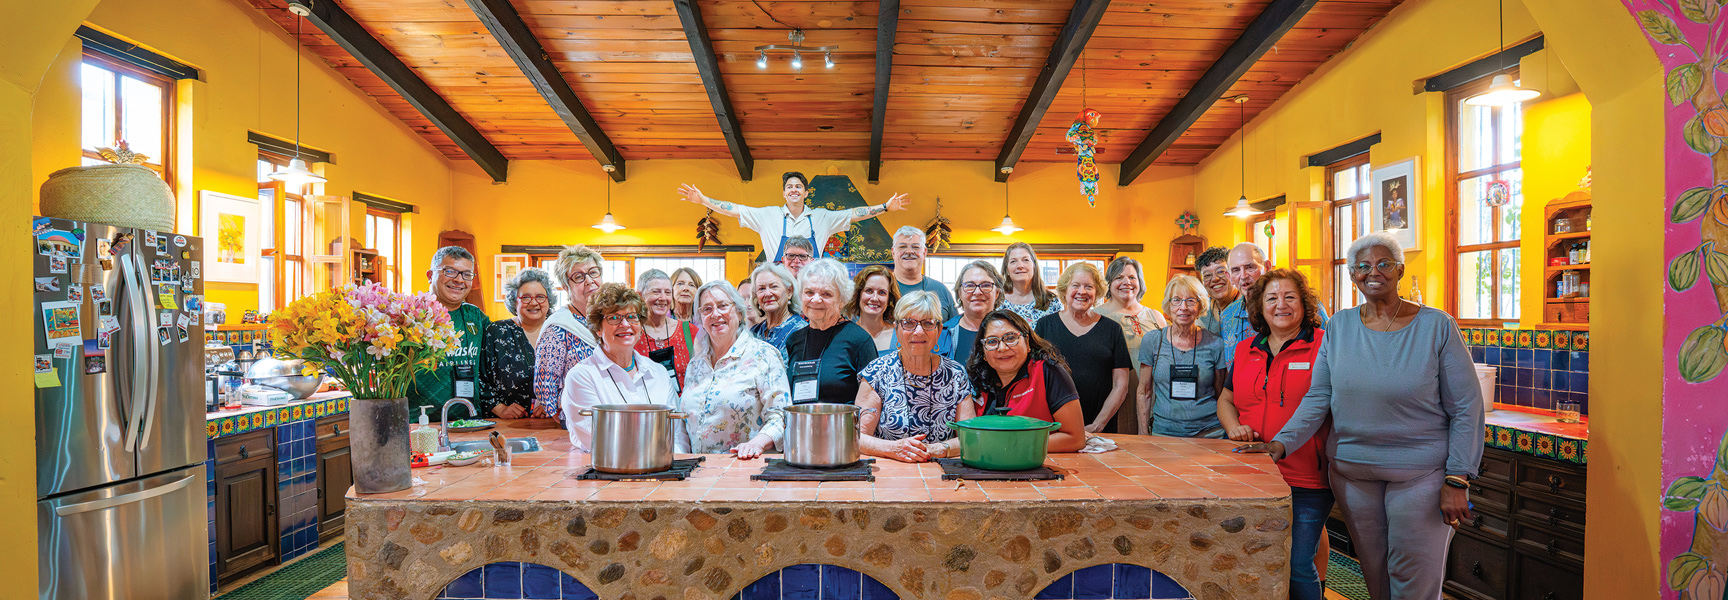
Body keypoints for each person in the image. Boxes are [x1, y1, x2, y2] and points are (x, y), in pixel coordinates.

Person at [1241, 232, 1483, 600]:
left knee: (1412, 577)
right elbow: (1319, 396)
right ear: (1352, 275)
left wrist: (1458, 478)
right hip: (1353, 475)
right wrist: (1280, 444)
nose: (1374, 272)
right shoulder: (1339, 327)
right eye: (1363, 266)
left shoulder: (1437, 326)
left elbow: (1466, 407)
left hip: (1420, 474)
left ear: (1400, 270)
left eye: (1384, 264)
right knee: (1375, 574)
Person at [1215, 269, 1332, 600]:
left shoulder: (1324, 345)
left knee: (1296, 562)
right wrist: (1232, 426)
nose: (1281, 304)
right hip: (1250, 473)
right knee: (1253, 559)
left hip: (1307, 475)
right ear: (1260, 307)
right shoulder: (1245, 349)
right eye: (1272, 298)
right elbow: (1226, 398)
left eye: (1290, 297)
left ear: (1305, 303)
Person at [676, 171, 911, 264]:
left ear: (806, 193)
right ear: (784, 193)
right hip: (777, 285)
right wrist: (705, 201)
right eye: (789, 186)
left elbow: (853, 214)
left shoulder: (822, 217)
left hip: (812, 286)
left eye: (798, 186)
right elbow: (734, 208)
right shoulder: (768, 215)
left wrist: (885, 207)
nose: (794, 189)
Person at [561, 284, 679, 453]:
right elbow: (596, 440)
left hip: (663, 470)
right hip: (608, 473)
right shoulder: (582, 376)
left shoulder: (658, 372)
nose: (625, 324)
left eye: (632, 317)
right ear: (598, 328)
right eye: (614, 318)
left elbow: (677, 432)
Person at [678, 280, 791, 458]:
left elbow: (781, 416)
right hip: (698, 472)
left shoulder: (763, 356)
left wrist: (757, 443)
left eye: (723, 306)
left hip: (745, 467)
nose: (715, 314)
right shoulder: (695, 365)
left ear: (739, 312)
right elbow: (684, 424)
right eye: (706, 309)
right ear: (701, 318)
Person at [856, 291, 972, 463]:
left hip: (942, 472)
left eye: (927, 323)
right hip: (890, 472)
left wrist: (938, 449)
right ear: (896, 328)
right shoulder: (877, 372)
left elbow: (971, 437)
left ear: (939, 330)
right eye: (909, 323)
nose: (918, 331)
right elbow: (857, 437)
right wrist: (894, 449)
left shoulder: (956, 374)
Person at [956, 310, 1086, 453]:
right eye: (992, 341)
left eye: (1010, 338)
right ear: (983, 352)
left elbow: (1075, 438)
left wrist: (1011, 447)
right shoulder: (975, 379)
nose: (1002, 348)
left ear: (1028, 342)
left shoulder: (1048, 372)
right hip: (985, 465)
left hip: (1037, 465)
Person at [1034, 263, 1131, 433]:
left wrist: (1098, 425)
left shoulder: (1112, 329)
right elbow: (1034, 380)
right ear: (1064, 290)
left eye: (1089, 287)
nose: (1082, 291)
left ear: (1097, 292)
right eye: (1076, 285)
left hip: (1101, 427)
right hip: (1054, 428)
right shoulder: (1045, 326)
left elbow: (1120, 385)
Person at [1135, 275, 1228, 438]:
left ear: (1200, 307)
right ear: (1168, 306)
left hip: (1210, 433)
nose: (1183, 307)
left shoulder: (1216, 343)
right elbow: (1144, 392)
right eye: (1176, 300)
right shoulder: (1153, 340)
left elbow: (1221, 393)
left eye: (1191, 301)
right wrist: (1143, 434)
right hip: (1164, 433)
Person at [408, 246, 488, 420]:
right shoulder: (410, 315)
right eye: (450, 271)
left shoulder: (476, 316)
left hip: (470, 423)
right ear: (430, 276)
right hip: (419, 424)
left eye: (466, 274)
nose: (459, 280)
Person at [783, 259, 879, 405]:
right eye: (809, 292)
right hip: (799, 425)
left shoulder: (859, 340)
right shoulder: (794, 340)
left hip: (841, 426)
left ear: (842, 300)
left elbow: (872, 401)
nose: (815, 300)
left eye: (826, 294)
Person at [1220, 242, 1329, 363]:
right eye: (1236, 270)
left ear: (1267, 267)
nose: (1243, 276)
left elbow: (1328, 348)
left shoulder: (1304, 307)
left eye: (1250, 267)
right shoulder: (1227, 316)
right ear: (1229, 276)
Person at [1094, 256, 1168, 432]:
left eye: (1132, 277)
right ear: (1109, 283)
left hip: (1152, 394)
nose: (1126, 282)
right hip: (1112, 392)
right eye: (1119, 278)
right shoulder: (1096, 317)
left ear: (1140, 282)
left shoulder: (1155, 317)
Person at [534, 245, 605, 424]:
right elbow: (545, 385)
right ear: (566, 286)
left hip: (610, 417)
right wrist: (565, 421)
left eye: (593, 273)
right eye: (579, 277)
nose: (589, 281)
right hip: (579, 421)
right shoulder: (558, 328)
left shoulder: (609, 318)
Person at [477, 267, 552, 419]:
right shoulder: (496, 331)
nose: (533, 302)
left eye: (540, 297)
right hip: (507, 423)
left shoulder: (559, 331)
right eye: (525, 297)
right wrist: (500, 409)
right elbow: (480, 376)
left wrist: (553, 404)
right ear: (514, 301)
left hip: (553, 422)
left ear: (548, 301)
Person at [635, 269, 695, 388]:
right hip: (644, 405)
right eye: (656, 292)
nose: (663, 298)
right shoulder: (631, 333)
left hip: (681, 405)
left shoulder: (688, 331)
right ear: (639, 295)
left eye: (667, 292)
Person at [939, 260, 1003, 365]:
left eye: (986, 285)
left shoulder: (1011, 333)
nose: (977, 292)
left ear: (997, 293)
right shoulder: (942, 334)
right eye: (969, 285)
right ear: (959, 293)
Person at [890, 226, 957, 322]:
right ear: (893, 252)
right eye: (902, 247)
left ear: (924, 252)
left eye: (916, 247)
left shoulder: (941, 290)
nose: (909, 251)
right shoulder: (880, 289)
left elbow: (954, 331)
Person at [749, 263, 807, 354]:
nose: (767, 293)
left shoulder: (801, 331)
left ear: (789, 292)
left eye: (774, 287)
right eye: (761, 289)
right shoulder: (753, 333)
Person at [844, 265, 900, 356]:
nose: (874, 298)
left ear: (889, 299)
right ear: (858, 294)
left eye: (882, 292)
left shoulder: (900, 337)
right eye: (869, 291)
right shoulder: (843, 336)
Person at [1000, 242, 1063, 323]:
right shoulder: (996, 301)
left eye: (1025, 260)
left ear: (1034, 266)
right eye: (1013, 261)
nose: (1020, 265)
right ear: (1007, 270)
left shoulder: (1052, 302)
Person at [1194, 246, 1233, 334]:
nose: (1215, 279)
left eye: (1220, 271)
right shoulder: (1203, 310)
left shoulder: (1248, 306)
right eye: (1207, 275)